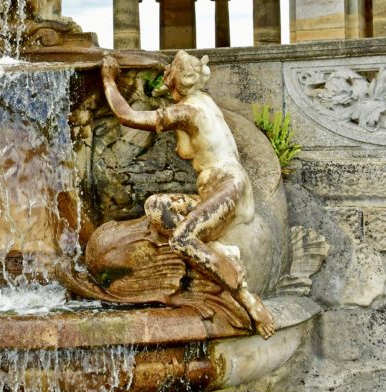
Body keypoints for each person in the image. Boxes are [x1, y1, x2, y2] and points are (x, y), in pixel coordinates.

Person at [101, 51, 275, 338]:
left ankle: (246, 297)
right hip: (216, 189)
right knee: (156, 206)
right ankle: (214, 251)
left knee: (182, 239)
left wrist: (109, 80)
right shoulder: (200, 100)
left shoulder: (188, 112)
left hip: (228, 186)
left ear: (175, 81)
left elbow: (127, 115)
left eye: (169, 74)